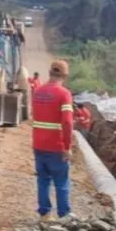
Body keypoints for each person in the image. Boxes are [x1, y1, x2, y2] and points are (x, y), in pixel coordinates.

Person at [31, 60, 74, 219]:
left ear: (50, 73)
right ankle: (63, 216)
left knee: (43, 180)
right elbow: (68, 122)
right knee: (61, 183)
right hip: (57, 146)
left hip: (39, 144)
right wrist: (67, 147)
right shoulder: (64, 94)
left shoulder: (37, 92)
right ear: (64, 75)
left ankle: (44, 214)